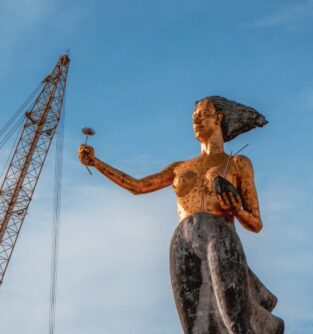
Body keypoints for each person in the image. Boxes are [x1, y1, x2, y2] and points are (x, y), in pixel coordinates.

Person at [78, 96, 284, 334]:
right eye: (193, 117)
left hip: (218, 234)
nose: (195, 120)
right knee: (195, 328)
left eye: (202, 114)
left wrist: (236, 208)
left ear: (218, 118)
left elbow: (256, 223)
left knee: (234, 322)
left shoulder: (237, 163)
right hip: (182, 239)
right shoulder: (181, 167)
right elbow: (138, 186)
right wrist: (96, 163)